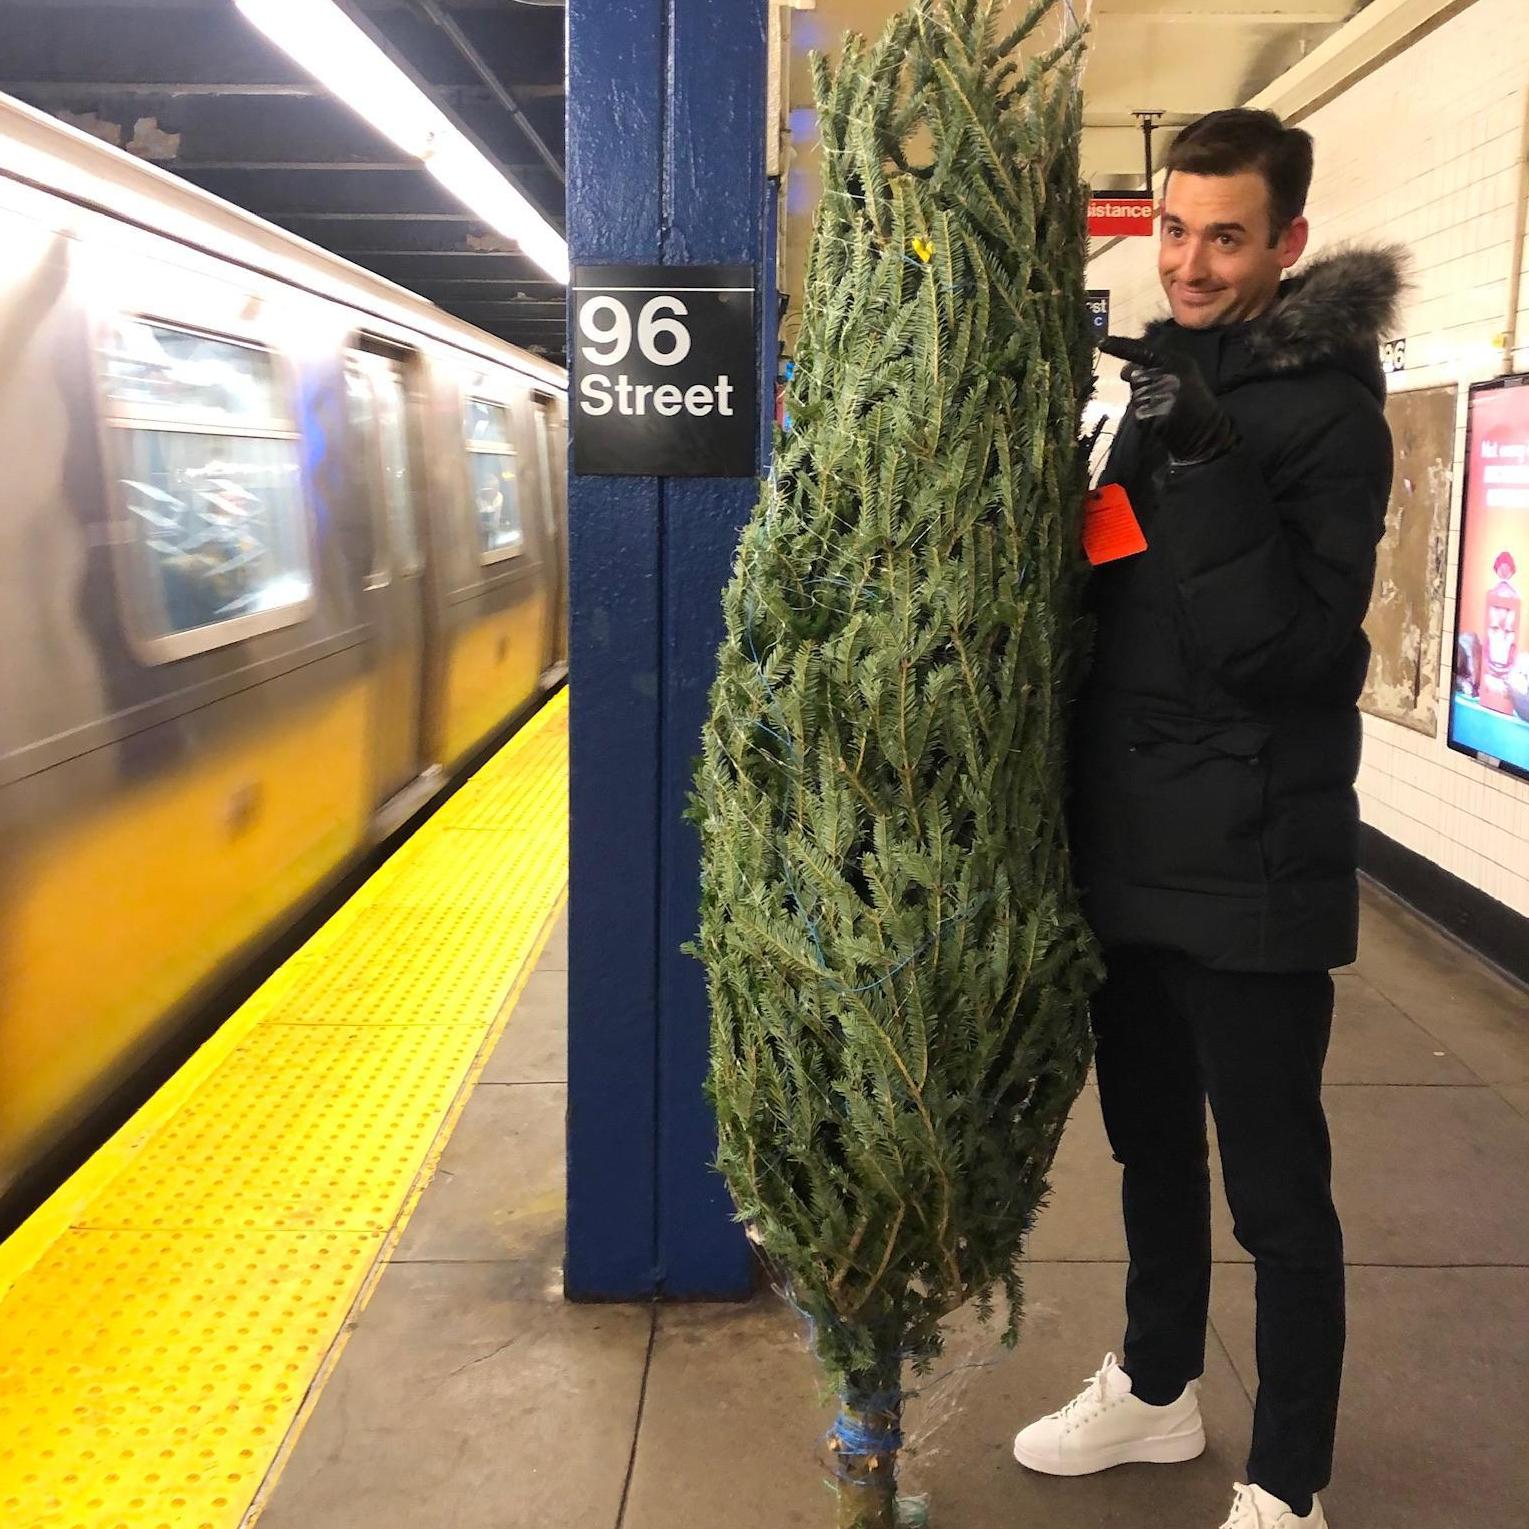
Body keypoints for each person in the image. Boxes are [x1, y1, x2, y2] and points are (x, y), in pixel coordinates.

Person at [1012, 109, 1402, 1529]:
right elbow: (1116, 594)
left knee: (1277, 1196)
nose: (1187, 260)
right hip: (1128, 853)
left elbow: (1294, 654)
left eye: (1224, 235)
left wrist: (1211, 459)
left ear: (1285, 244)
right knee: (1150, 1154)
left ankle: (1287, 1481)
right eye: (1172, 228)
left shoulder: (1329, 417)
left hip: (1250, 865)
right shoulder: (1157, 374)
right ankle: (1158, 1387)